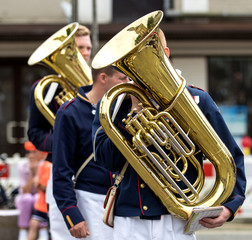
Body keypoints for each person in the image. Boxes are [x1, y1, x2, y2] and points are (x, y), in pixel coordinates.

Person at [92, 29, 246, 240]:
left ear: (164, 52)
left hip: (178, 219)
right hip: (129, 219)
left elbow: (230, 157)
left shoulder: (197, 99)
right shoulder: (112, 106)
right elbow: (106, 160)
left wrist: (230, 206)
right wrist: (134, 112)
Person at [27, 24, 92, 240]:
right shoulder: (46, 89)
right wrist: (63, 141)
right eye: (79, 47)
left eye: (88, 48)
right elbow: (34, 133)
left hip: (95, 174)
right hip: (62, 171)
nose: (85, 53)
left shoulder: (102, 84)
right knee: (63, 234)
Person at [52, 66, 129, 239]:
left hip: (125, 201)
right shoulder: (70, 112)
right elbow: (61, 169)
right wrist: (71, 212)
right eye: (122, 78)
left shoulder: (125, 107)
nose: (128, 83)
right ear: (103, 78)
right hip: (90, 200)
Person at [15, 141, 47, 240]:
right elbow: (26, 191)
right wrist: (31, 173)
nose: (31, 155)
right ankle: (23, 231)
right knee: (28, 198)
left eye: (33, 152)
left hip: (40, 198)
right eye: (28, 152)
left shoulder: (44, 165)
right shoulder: (22, 165)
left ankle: (43, 231)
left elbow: (41, 188)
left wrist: (37, 170)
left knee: (38, 198)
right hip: (26, 197)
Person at [28, 157, 51, 240]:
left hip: (50, 204)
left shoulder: (48, 165)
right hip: (42, 205)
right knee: (33, 223)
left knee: (51, 229)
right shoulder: (42, 165)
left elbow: (45, 186)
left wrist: (38, 181)